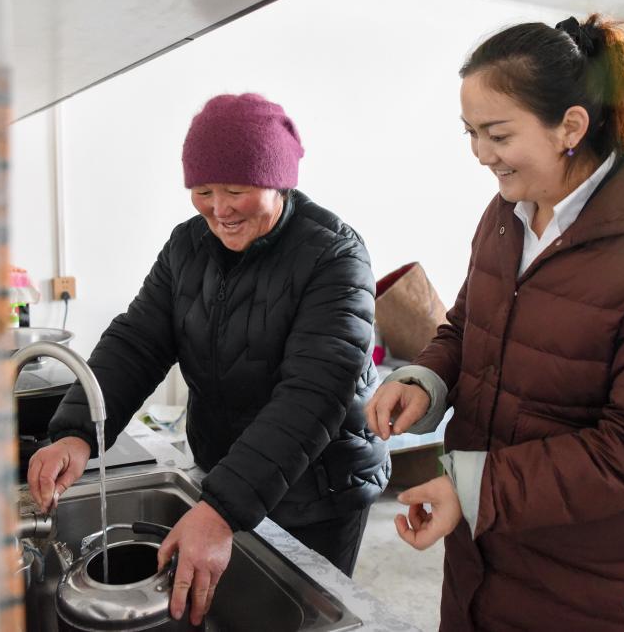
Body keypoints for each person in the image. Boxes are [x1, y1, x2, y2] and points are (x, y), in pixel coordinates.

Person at [366, 14, 624, 631]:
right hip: (484, 548)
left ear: (571, 126)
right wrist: (425, 380)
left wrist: (473, 487)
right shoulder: (507, 213)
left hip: (594, 573)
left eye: (497, 134)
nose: (480, 155)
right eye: (470, 133)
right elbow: (468, 323)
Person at [29, 93, 390, 625]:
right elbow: (137, 341)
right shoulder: (187, 246)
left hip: (317, 491)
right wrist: (78, 431)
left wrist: (222, 507)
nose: (219, 209)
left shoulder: (334, 256)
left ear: (279, 182)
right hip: (226, 476)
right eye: (202, 191)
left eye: (236, 191)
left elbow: (313, 395)